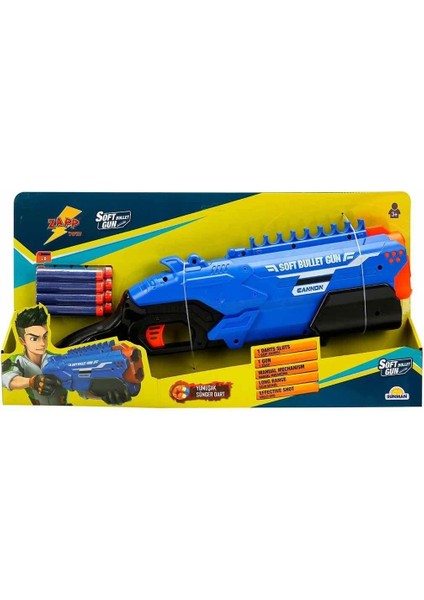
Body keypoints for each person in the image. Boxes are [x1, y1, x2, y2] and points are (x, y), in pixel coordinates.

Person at [2, 306, 68, 405]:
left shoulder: (58, 359)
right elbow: (5, 377)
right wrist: (31, 382)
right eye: (34, 339)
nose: (42, 343)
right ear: (22, 341)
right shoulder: (18, 361)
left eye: (45, 336)